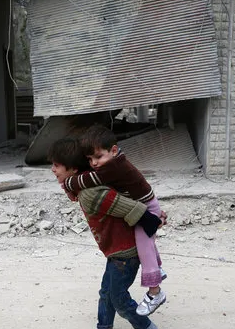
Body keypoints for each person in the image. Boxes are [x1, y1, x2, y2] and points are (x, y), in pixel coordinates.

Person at [49, 137, 169, 329]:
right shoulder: (84, 186)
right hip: (116, 249)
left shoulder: (91, 192)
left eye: (56, 165)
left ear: (73, 168)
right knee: (106, 292)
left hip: (126, 252)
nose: (52, 169)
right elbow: (73, 190)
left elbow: (133, 208)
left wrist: (155, 219)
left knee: (118, 298)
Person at [62, 125, 166, 316]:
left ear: (114, 150)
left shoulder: (113, 166)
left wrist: (67, 183)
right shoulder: (112, 162)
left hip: (146, 206)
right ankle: (157, 270)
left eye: (98, 156)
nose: (94, 163)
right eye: (90, 159)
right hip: (143, 202)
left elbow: (86, 180)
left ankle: (155, 291)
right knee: (147, 243)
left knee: (144, 245)